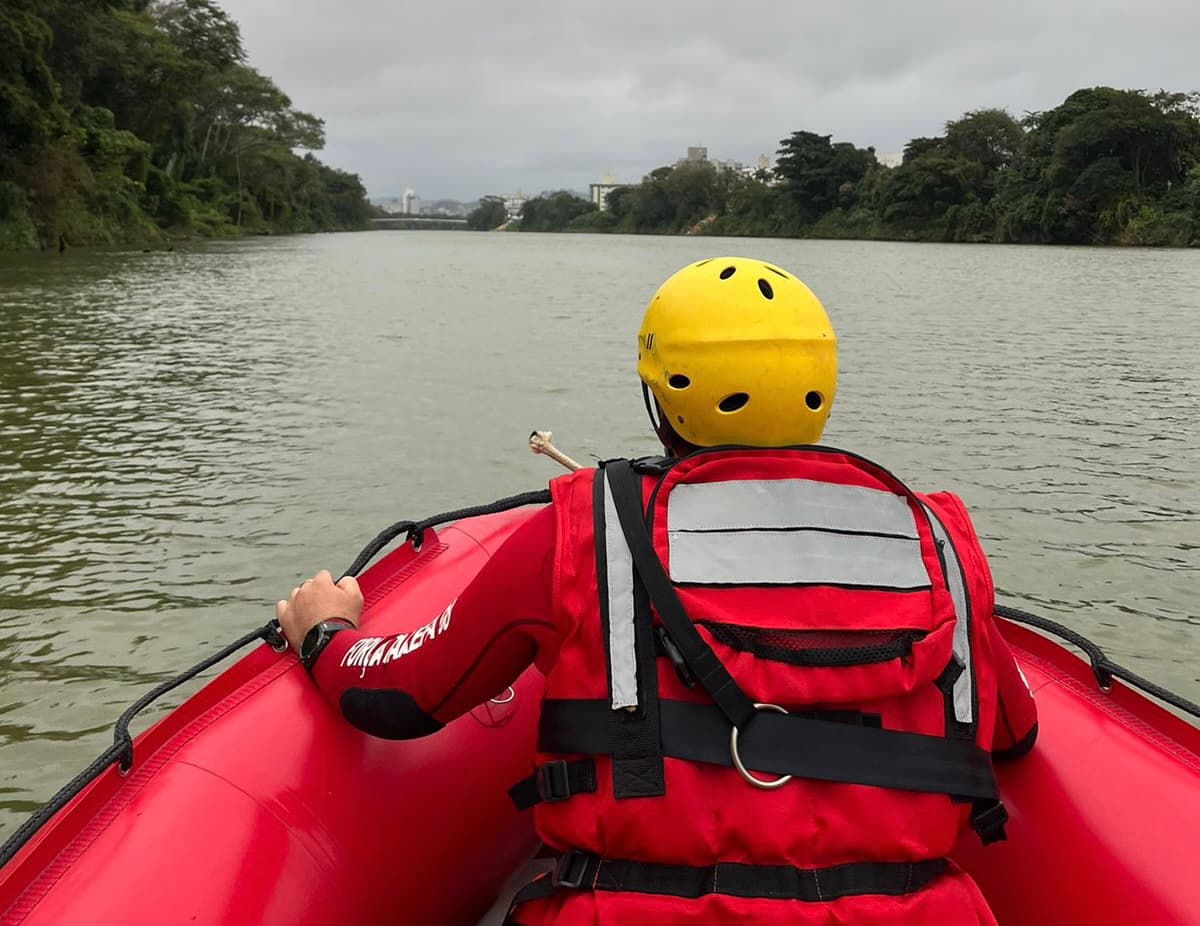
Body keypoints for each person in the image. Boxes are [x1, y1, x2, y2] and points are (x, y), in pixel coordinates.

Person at [277, 257, 1038, 925]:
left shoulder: (579, 531)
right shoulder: (937, 542)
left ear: (661, 399)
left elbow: (400, 697)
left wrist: (325, 633)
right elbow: (1013, 734)